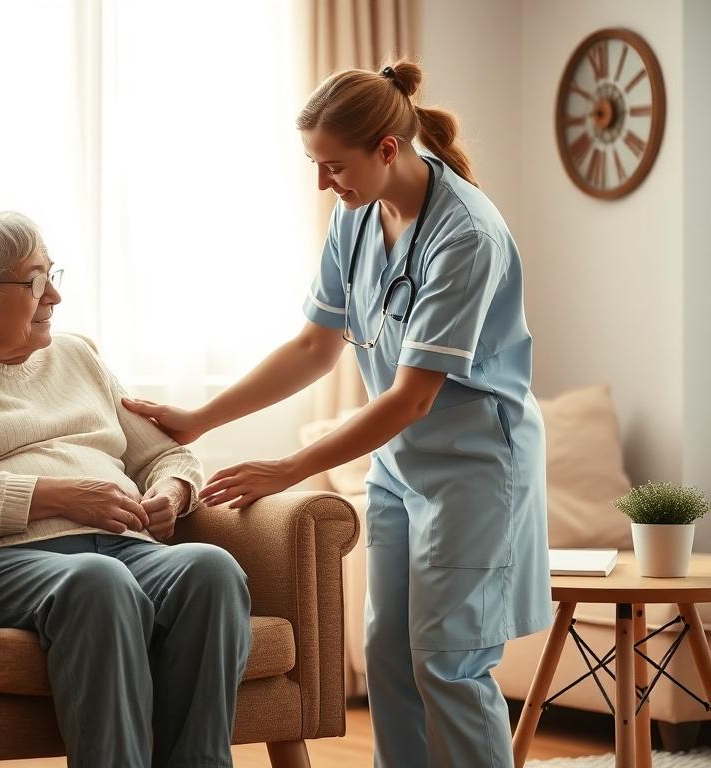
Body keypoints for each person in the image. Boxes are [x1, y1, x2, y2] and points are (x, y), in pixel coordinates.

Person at [123, 62, 552, 768]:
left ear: (387, 148)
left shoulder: (466, 235)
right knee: (387, 656)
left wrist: (289, 469)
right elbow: (313, 346)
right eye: (315, 165)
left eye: (333, 165)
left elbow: (413, 396)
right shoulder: (354, 216)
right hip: (400, 468)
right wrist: (200, 419)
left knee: (447, 662)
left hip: (477, 469)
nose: (324, 183)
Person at [0, 211, 251, 768]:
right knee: (98, 580)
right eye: (36, 281)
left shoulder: (77, 357)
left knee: (209, 569)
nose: (56, 296)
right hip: (1, 560)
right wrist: (59, 496)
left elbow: (164, 453)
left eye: (52, 274)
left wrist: (172, 493)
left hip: (124, 546)